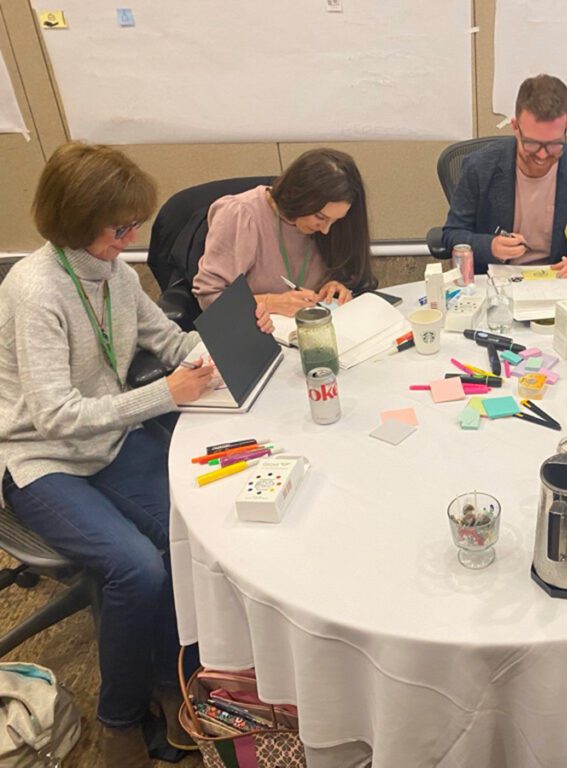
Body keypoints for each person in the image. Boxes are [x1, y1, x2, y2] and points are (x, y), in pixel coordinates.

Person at [0, 142, 271, 767]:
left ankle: (177, 680)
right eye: (118, 227)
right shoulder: (35, 290)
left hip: (109, 441)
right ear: (75, 218)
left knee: (195, 533)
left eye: (132, 226)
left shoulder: (115, 275)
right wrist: (162, 395)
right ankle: (118, 717)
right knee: (138, 568)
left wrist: (226, 347)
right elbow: (54, 415)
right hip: (42, 460)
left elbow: (169, 340)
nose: (128, 238)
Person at [441, 73, 567, 277]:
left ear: (566, 128)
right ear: (515, 127)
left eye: (554, 144)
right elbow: (451, 235)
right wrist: (490, 246)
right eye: (532, 144)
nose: (543, 155)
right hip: (497, 284)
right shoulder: (480, 167)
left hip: (559, 282)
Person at [193, 148, 375, 316]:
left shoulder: (330, 227)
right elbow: (210, 298)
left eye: (336, 220)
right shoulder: (241, 215)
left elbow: (348, 275)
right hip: (260, 336)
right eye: (320, 217)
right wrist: (270, 302)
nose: (326, 230)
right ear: (300, 196)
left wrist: (336, 287)